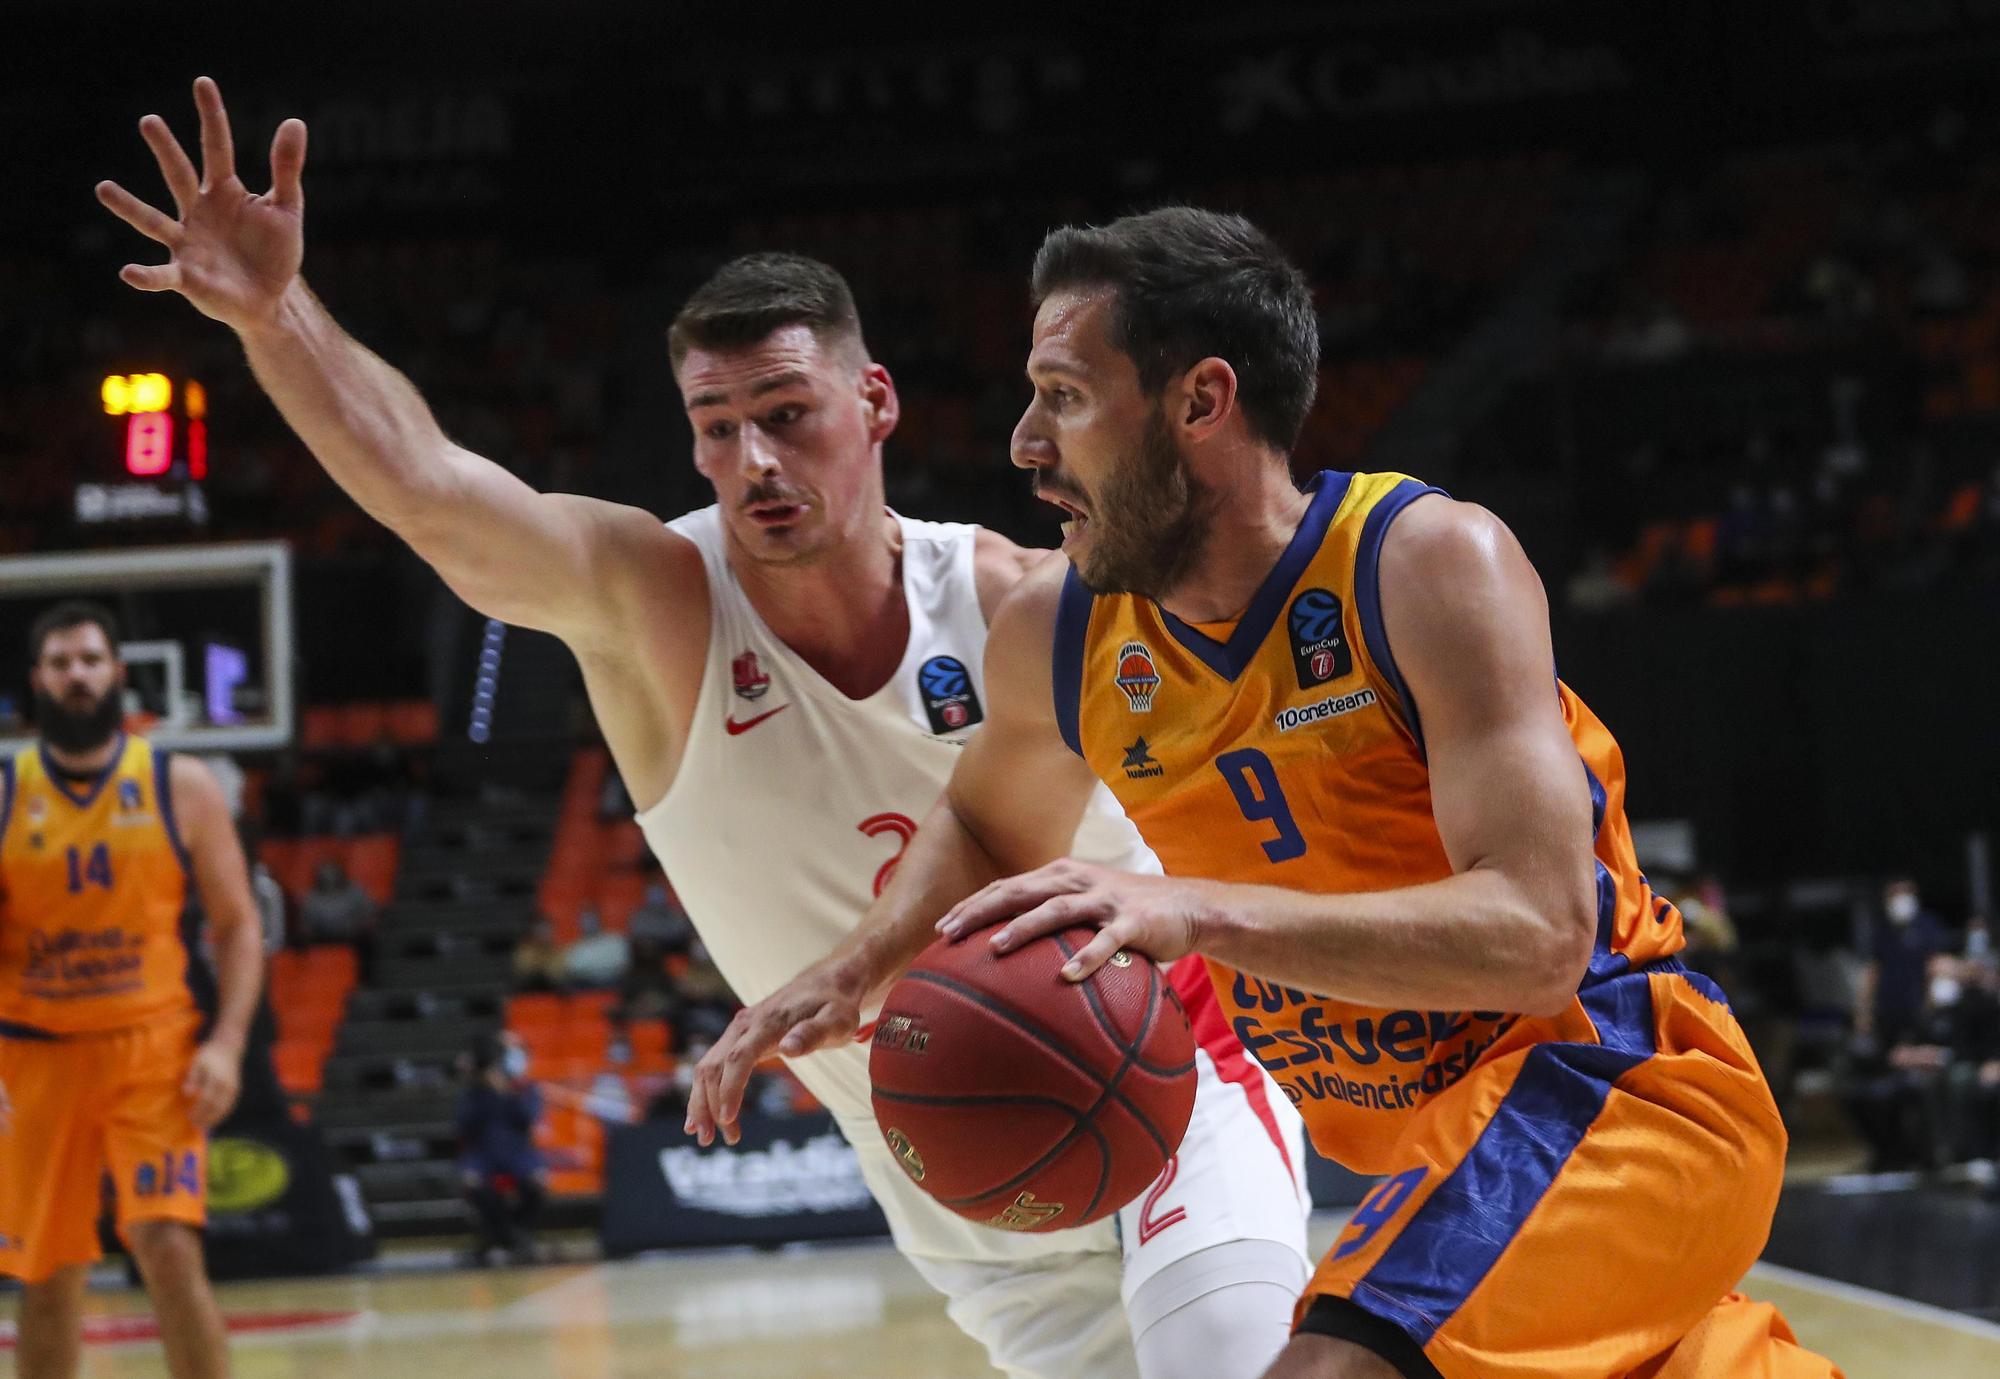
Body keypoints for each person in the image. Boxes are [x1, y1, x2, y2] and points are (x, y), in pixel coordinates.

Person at [98, 79, 1313, 1379]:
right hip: (947, 1152)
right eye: (717, 429)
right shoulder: (657, 606)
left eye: (787, 414)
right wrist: (281, 317)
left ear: (876, 403)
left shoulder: (1016, 596)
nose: (755, 463)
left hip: (1170, 1065)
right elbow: (434, 491)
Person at [687, 208, 1841, 1378]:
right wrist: (855, 964)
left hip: (1611, 1096)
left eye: (1065, 396)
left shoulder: (1423, 562)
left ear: (1199, 402)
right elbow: (987, 820)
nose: (1026, 442)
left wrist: (1187, 908)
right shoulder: (1060, 629)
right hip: (1435, 1155)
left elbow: (1540, 935)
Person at [0, 602, 265, 1379]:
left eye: (89, 659)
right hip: (36, 1058)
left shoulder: (182, 784)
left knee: (168, 1246)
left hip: (153, 1051)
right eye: (60, 662)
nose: (76, 675)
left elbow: (238, 925)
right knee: (47, 1277)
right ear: (37, 681)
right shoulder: (7, 792)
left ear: (118, 672)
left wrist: (228, 1042)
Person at [457, 1031, 545, 1265]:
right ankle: (498, 1235)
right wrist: (475, 1083)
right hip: (483, 1151)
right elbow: (464, 1124)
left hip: (517, 1150)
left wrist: (507, 1092)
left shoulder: (527, 1089)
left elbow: (527, 1119)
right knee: (472, 1180)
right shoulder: (473, 1091)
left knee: (538, 1179)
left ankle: (516, 1232)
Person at [1855, 876, 1950, 1047]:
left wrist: (1930, 1003)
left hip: (1918, 1006)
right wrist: (1864, 1011)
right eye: (1895, 894)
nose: (1901, 898)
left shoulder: (1927, 926)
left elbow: (1936, 966)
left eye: (1905, 892)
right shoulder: (1881, 930)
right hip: (1887, 1009)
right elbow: (1873, 971)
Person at [296, 858, 376, 946]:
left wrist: (356, 928)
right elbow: (306, 924)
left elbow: (368, 914)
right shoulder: (311, 898)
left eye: (333, 873)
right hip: (322, 940)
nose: (329, 877)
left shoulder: (355, 891)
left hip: (353, 937)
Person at [560, 907, 630, 989]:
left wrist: (589, 968)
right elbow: (572, 969)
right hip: (586, 984)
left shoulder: (616, 940)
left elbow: (622, 962)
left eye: (591, 919)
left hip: (615, 981)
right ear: (579, 923)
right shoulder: (575, 947)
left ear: (599, 920)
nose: (588, 923)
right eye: (584, 920)